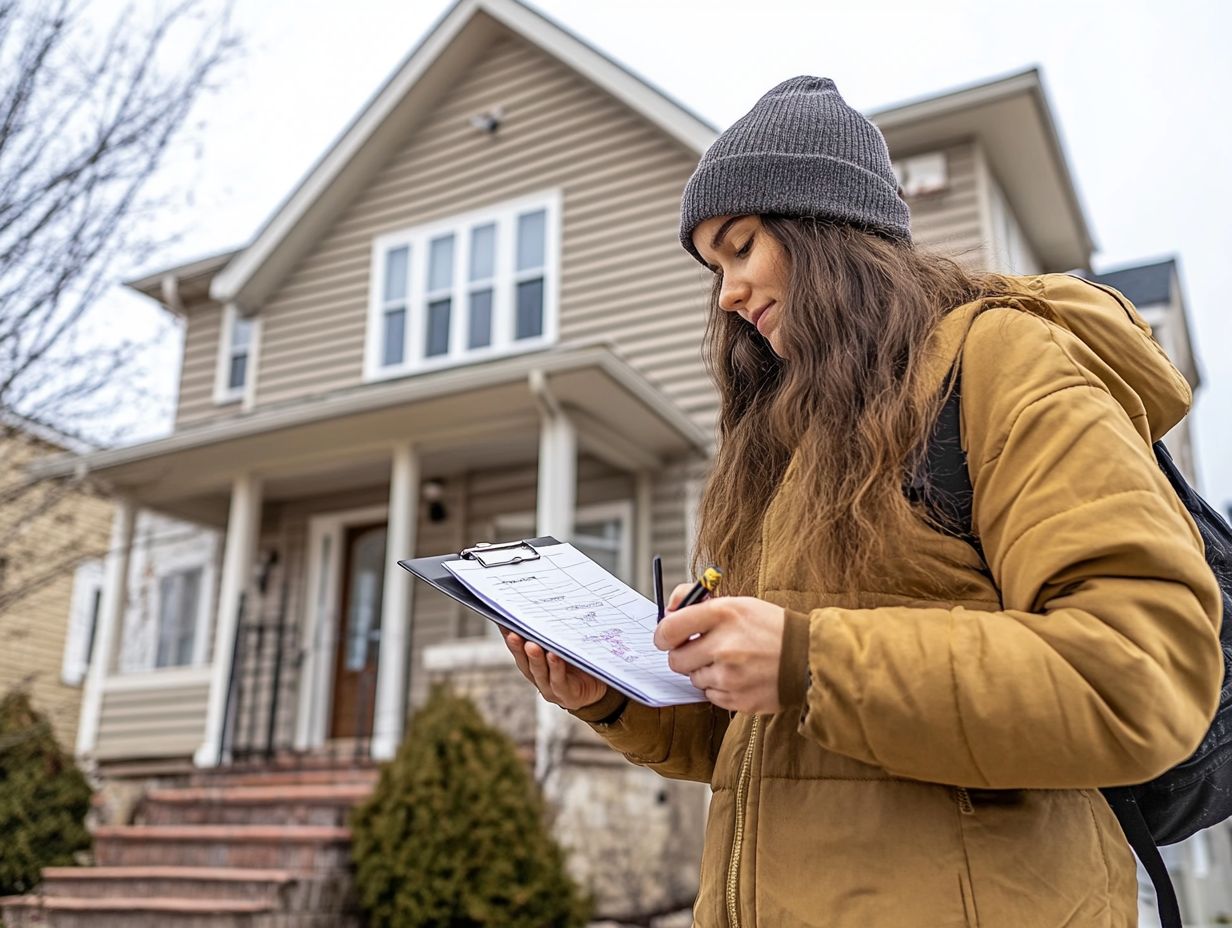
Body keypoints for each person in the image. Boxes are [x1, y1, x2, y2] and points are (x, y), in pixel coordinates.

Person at [503, 76, 1223, 927]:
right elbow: (766, 740)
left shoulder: (1003, 365)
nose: (726, 293)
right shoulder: (783, 444)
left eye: (740, 247)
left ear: (829, 229)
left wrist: (811, 660)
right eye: (713, 268)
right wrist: (617, 694)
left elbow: (1138, 675)